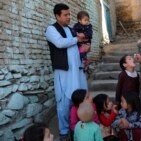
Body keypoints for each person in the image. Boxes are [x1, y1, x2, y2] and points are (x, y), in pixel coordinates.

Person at [45, 3, 88, 140]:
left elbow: (75, 49)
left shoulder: (70, 30)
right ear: (57, 16)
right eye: (65, 15)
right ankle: (64, 131)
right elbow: (60, 43)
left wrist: (84, 50)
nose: (69, 17)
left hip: (77, 71)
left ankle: (78, 127)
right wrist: (77, 39)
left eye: (69, 14)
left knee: (79, 98)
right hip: (63, 72)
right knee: (63, 102)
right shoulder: (51, 29)